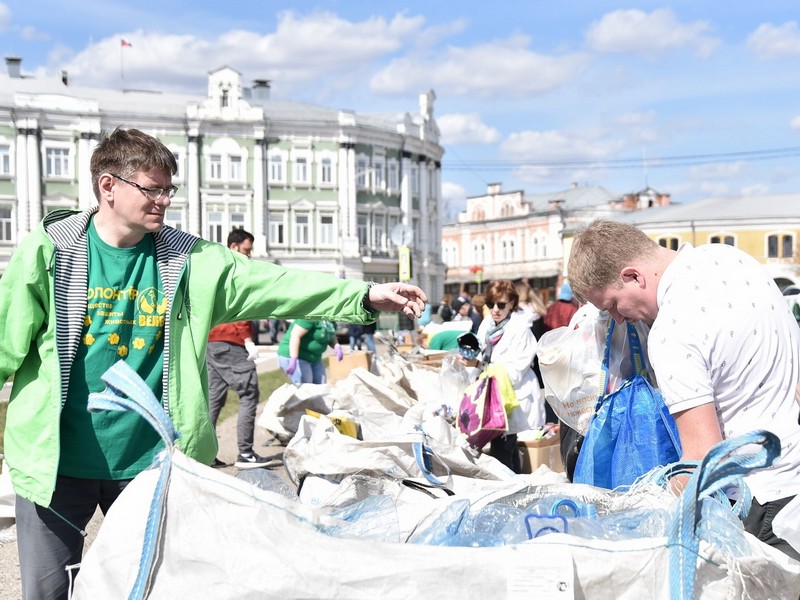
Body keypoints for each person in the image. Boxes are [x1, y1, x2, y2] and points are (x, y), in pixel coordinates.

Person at [0, 127, 427, 600]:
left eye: (169, 189)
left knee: (156, 589)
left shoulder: (188, 258)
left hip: (151, 467)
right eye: (152, 189)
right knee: (46, 592)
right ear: (108, 186)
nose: (163, 200)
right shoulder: (50, 250)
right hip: (56, 465)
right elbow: (5, 339)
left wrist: (363, 294)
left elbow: (274, 284)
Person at [568, 219, 800, 560]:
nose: (618, 319)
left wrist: (648, 507)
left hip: (761, 502)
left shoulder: (672, 333)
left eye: (613, 305)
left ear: (633, 276)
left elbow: (702, 459)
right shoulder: (732, 258)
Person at [205, 229, 277, 469]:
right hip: (231, 340)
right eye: (247, 250)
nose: (250, 255)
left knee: (214, 399)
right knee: (249, 394)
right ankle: (245, 453)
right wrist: (247, 339)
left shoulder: (214, 267)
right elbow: (238, 308)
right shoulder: (235, 269)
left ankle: (203, 452)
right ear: (234, 247)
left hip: (212, 341)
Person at [475, 280, 544, 472]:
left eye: (501, 304)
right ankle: (516, 484)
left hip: (510, 395)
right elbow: (481, 354)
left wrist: (490, 373)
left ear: (512, 303)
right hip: (493, 395)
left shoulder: (520, 329)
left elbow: (519, 365)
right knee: (506, 445)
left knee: (502, 448)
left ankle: (509, 491)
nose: (495, 309)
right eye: (490, 304)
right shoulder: (487, 325)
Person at [278, 319, 343, 384]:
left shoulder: (331, 320)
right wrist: (293, 359)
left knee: (321, 386)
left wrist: (336, 346)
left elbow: (331, 334)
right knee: (306, 387)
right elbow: (295, 335)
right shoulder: (310, 317)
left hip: (315, 358)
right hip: (296, 356)